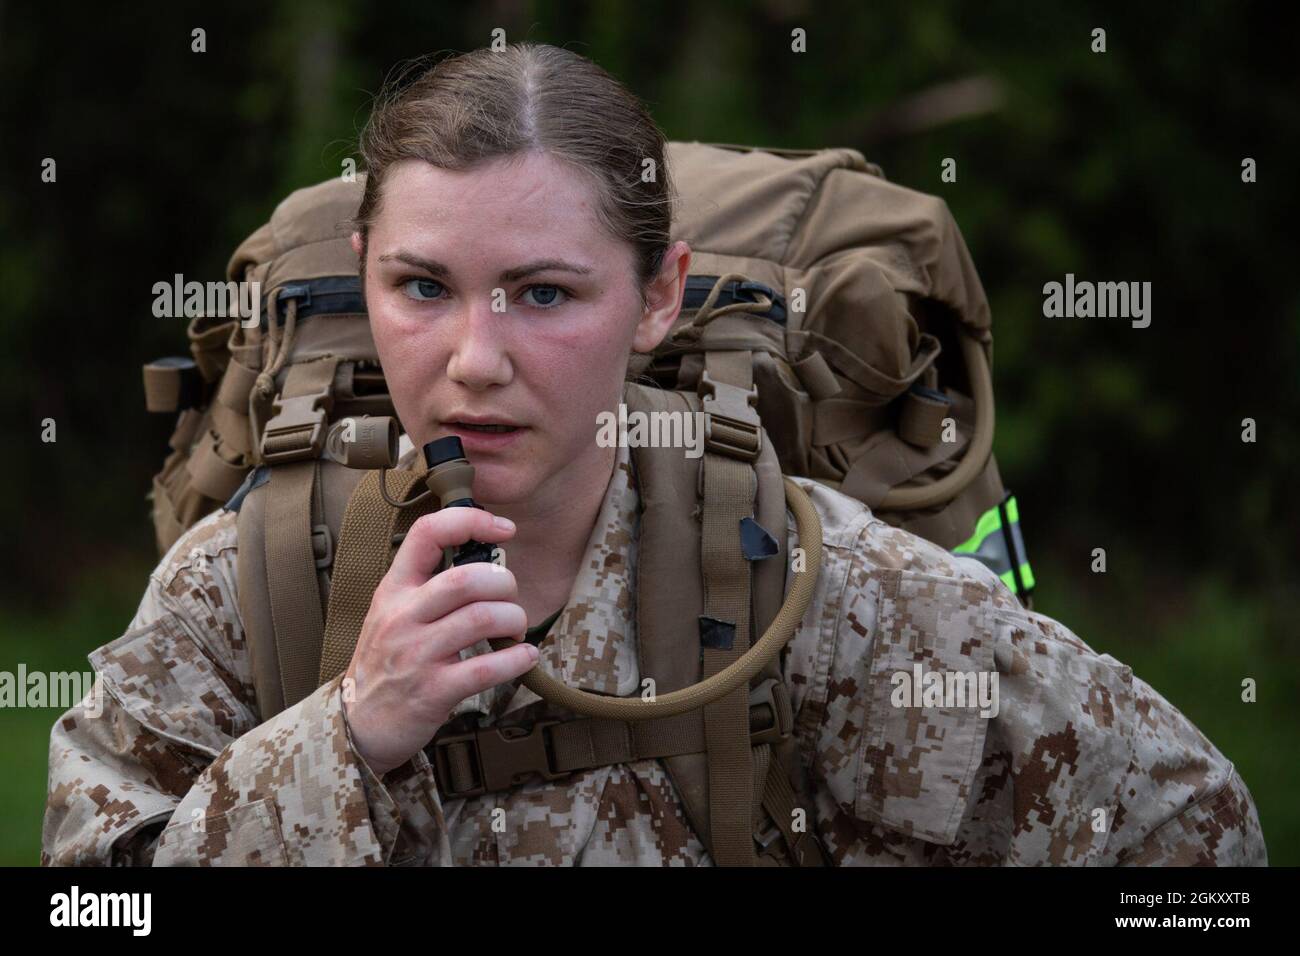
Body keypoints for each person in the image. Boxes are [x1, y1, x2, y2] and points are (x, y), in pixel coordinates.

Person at [42, 42, 1266, 867]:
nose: (474, 359)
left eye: (543, 292)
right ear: (363, 276)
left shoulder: (811, 585)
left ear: (657, 296)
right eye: (422, 286)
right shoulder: (248, 580)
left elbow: (1192, 832)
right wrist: (348, 732)